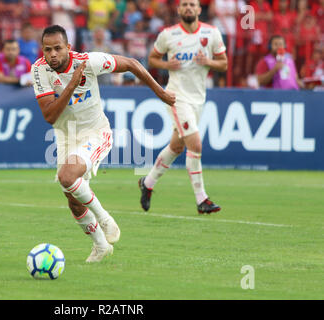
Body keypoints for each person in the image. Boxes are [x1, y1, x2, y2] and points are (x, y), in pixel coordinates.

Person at [31, 25, 175, 262]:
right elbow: (50, 116)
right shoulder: (39, 70)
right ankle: (101, 245)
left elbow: (131, 64)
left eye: (58, 48)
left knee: (68, 177)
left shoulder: (89, 62)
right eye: (48, 50)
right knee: (72, 199)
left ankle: (106, 220)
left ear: (68, 47)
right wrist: (71, 85)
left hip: (95, 133)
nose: (53, 54)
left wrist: (161, 93)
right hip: (65, 136)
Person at [138, 0, 228, 214]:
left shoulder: (212, 33)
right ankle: (202, 200)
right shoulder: (168, 35)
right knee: (195, 144)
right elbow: (152, 59)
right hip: (176, 97)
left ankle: (147, 183)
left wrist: (208, 61)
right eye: (184, 4)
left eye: (192, 4)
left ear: (199, 9)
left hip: (198, 98)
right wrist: (167, 65)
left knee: (177, 147)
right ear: (179, 10)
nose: (188, 7)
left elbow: (223, 63)